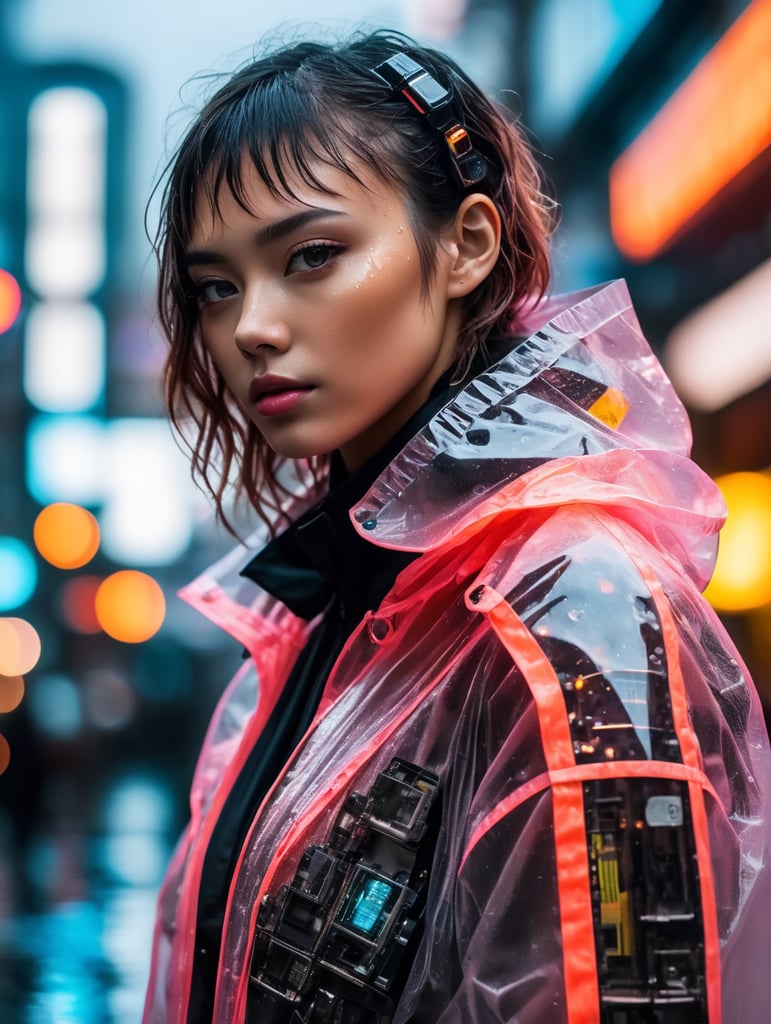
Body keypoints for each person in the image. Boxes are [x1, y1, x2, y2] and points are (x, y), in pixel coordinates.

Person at [142, 28, 771, 1024]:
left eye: (313, 255)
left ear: (468, 245)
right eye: (218, 285)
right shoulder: (327, 600)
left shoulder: (579, 617)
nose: (251, 324)